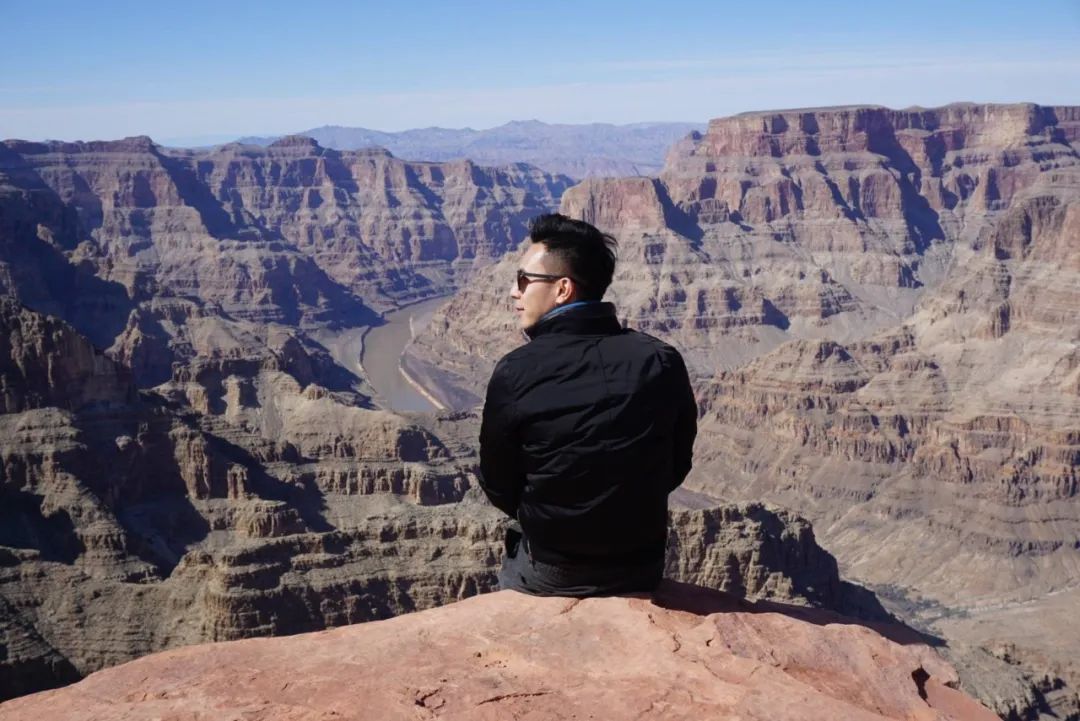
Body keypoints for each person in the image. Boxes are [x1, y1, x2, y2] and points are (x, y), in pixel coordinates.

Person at [479, 213, 697, 597]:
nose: (514, 292)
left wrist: (552, 517)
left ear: (562, 289)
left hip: (552, 570)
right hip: (640, 566)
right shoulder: (661, 359)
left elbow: (499, 483)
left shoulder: (516, 370)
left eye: (523, 280)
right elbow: (677, 463)